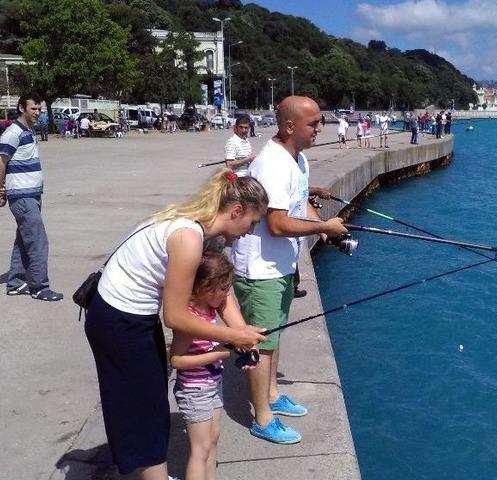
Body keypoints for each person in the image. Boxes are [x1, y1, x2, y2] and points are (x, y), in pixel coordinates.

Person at [85, 169, 268, 479]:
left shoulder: (203, 231)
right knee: (145, 414)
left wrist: (243, 336)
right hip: (119, 320)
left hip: (135, 317)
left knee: (152, 406)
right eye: (252, 222)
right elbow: (175, 317)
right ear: (236, 211)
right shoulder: (188, 237)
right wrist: (233, 336)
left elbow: (222, 293)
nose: (250, 232)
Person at [231, 96, 348, 445]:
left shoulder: (298, 159)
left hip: (281, 264)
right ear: (289, 126)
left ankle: (272, 393)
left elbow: (299, 205)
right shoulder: (272, 164)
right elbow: (278, 224)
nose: (319, 129)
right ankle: (262, 418)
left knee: (275, 335)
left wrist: (322, 227)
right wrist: (324, 226)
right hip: (260, 268)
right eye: (313, 123)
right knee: (261, 343)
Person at [170, 251, 235, 480]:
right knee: (200, 449)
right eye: (223, 289)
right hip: (194, 390)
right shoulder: (190, 319)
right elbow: (176, 360)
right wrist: (217, 354)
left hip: (212, 383)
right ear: (206, 287)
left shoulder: (210, 309)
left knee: (212, 439)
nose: (227, 294)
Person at [0, 93, 64, 301]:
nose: (38, 112)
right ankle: (40, 287)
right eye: (33, 108)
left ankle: (16, 283)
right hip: (22, 196)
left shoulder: (28, 131)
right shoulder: (13, 133)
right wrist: (1, 190)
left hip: (31, 195)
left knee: (24, 240)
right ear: (21, 108)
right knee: (38, 242)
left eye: (39, 109)